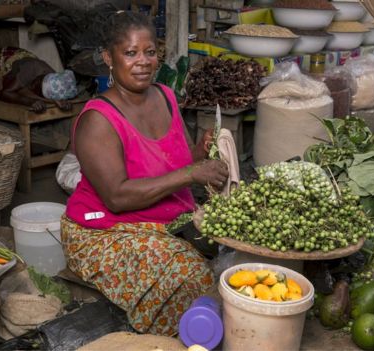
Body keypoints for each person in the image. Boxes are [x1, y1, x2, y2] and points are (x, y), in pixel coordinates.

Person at [61, 11, 229, 336]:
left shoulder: (166, 96)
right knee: (188, 276)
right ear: (109, 57)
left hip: (165, 219)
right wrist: (193, 173)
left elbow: (175, 163)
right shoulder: (98, 119)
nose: (143, 62)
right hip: (104, 232)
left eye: (149, 52)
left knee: (230, 258)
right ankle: (181, 339)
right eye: (130, 52)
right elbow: (117, 196)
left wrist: (202, 152)